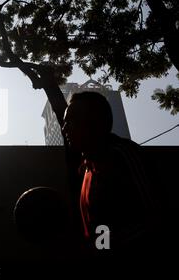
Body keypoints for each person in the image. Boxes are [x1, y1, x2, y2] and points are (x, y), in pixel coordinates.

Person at [61, 91, 164, 259]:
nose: (64, 128)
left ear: (95, 121)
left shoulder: (123, 155)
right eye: (65, 122)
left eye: (71, 120)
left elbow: (154, 217)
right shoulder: (86, 170)